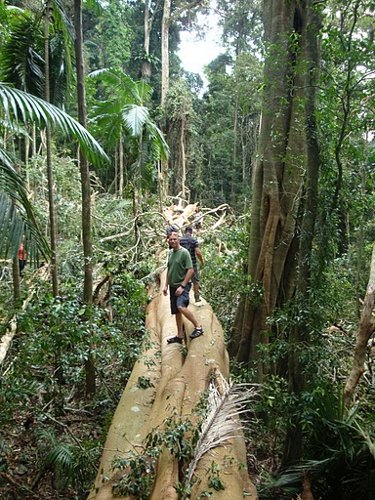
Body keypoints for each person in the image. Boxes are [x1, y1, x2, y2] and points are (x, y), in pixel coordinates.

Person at [163, 230, 204, 344]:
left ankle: (198, 327)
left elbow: (190, 270)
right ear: (168, 240)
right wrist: (166, 285)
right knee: (176, 311)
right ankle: (180, 335)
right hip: (172, 286)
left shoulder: (184, 252)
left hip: (182, 286)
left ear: (179, 240)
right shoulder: (171, 253)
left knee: (181, 306)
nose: (173, 241)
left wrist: (182, 286)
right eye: (171, 239)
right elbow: (169, 269)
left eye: (175, 239)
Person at [180, 226, 204, 302]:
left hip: (183, 265)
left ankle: (183, 297)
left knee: (183, 281)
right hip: (192, 264)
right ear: (191, 232)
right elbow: (198, 252)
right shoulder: (193, 240)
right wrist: (202, 261)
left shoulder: (180, 240)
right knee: (195, 281)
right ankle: (196, 297)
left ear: (185, 232)